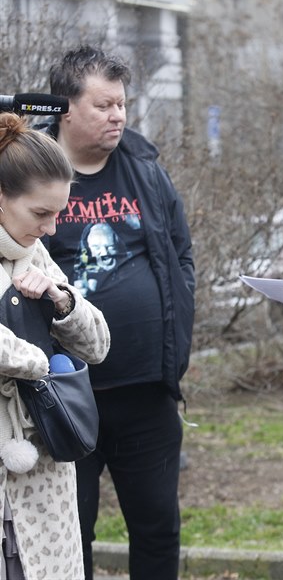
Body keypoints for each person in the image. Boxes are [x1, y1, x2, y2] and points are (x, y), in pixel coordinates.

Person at [40, 45, 196, 580]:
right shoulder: (27, 169)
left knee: (157, 526)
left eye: (122, 105)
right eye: (103, 106)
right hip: (61, 393)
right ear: (65, 106)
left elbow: (180, 255)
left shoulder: (144, 167)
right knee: (68, 530)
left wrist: (176, 341)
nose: (118, 116)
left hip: (146, 389)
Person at [0, 112, 110, 579]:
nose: (51, 229)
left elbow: (99, 345)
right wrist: (39, 360)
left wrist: (60, 300)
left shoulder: (34, 249)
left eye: (58, 214)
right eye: (40, 213)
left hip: (45, 469)